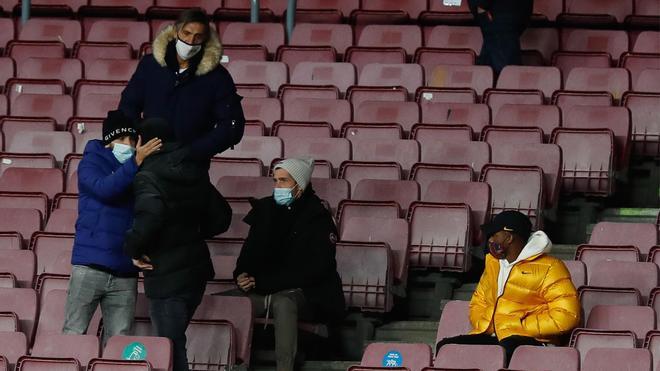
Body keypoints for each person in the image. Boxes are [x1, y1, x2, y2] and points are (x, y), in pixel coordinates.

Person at [123, 117, 232, 371]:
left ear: (143, 142)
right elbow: (221, 219)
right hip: (196, 270)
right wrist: (191, 233)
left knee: (169, 344)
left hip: (166, 273)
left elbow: (150, 218)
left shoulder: (147, 176)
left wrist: (133, 249)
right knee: (174, 341)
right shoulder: (195, 171)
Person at [233, 158, 346, 371]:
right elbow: (247, 254)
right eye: (275, 181)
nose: (278, 186)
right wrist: (241, 275)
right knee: (222, 303)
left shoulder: (318, 217)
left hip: (309, 293)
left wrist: (265, 282)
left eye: (284, 181)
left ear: (300, 185)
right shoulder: (265, 210)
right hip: (263, 288)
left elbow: (315, 270)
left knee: (284, 303)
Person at [63, 110, 162, 346]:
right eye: (121, 139)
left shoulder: (140, 168)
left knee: (119, 343)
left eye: (132, 139)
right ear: (108, 142)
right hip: (89, 267)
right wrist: (136, 162)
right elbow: (105, 189)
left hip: (125, 271)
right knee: (72, 336)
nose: (128, 145)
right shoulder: (92, 161)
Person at [436, 210, 580, 363]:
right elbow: (478, 302)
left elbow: (567, 316)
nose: (490, 240)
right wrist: (488, 324)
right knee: (446, 347)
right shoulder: (493, 264)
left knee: (503, 350)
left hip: (533, 340)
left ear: (509, 237)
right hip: (496, 337)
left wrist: (519, 325)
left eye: (494, 235)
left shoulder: (551, 267)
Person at [118, 8, 245, 162]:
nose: (191, 42)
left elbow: (232, 125)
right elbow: (128, 106)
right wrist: (138, 139)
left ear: (206, 39)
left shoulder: (218, 77)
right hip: (149, 158)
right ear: (175, 31)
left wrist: (194, 151)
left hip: (191, 165)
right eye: (186, 33)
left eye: (198, 37)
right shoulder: (150, 65)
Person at [468, 0, 534, 75]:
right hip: (508, 15)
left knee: (504, 73)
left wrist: (480, 7)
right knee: (489, 74)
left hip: (498, 16)